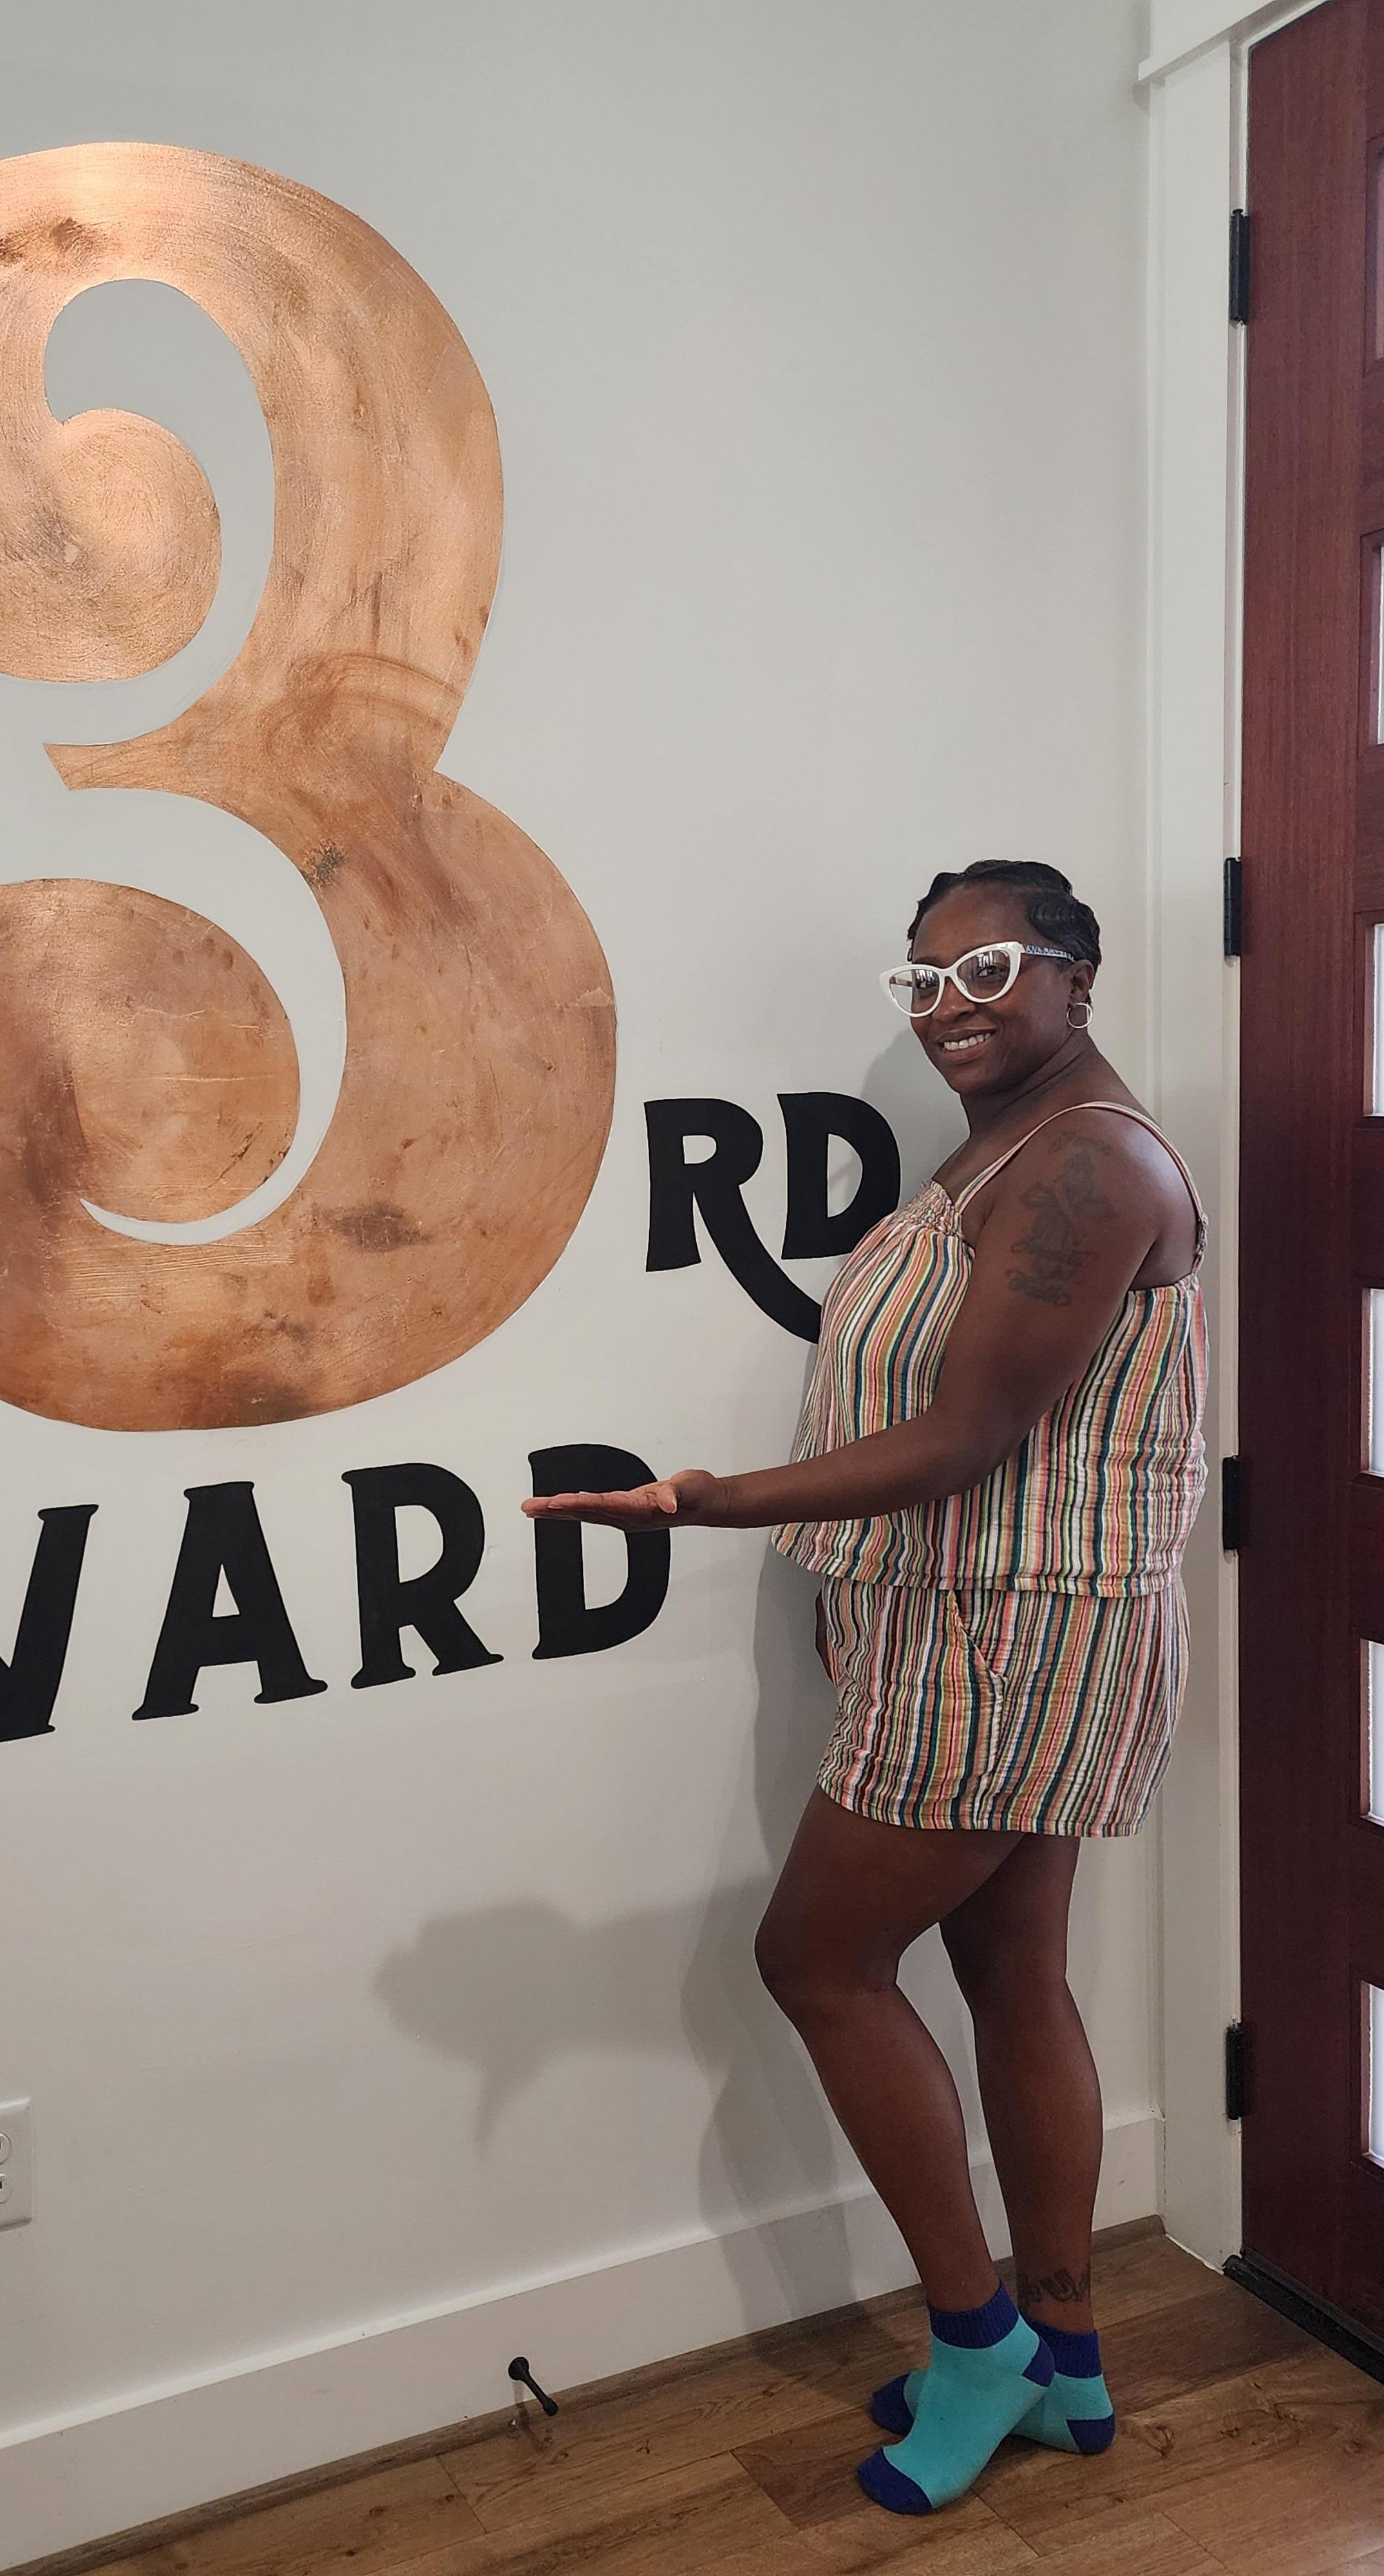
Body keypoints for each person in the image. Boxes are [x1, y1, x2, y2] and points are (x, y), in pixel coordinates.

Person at [524, 860, 1206, 2517]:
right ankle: (1067, 2357)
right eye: (921, 979)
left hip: (1012, 1631)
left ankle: (978, 2342)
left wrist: (705, 1501)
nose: (947, 1005)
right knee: (1011, 1969)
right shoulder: (1012, 1145)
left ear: (1079, 974)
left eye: (987, 968)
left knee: (815, 1959)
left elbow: (966, 1435)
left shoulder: (1091, 1162)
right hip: (984, 1614)